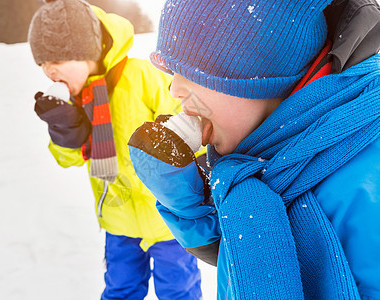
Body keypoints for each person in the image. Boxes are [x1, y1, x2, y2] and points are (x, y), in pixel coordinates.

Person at [128, 0, 380, 299]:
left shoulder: (365, 185)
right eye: (172, 71)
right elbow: (248, 257)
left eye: (194, 71)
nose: (174, 89)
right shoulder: (265, 160)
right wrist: (188, 201)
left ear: (263, 75)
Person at [27, 0, 203, 299]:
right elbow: (68, 159)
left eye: (57, 58)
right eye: (42, 62)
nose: (48, 69)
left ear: (87, 51)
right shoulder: (74, 99)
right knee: (120, 289)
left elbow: (189, 122)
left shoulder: (140, 76)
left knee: (178, 290)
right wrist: (65, 129)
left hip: (168, 220)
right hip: (119, 220)